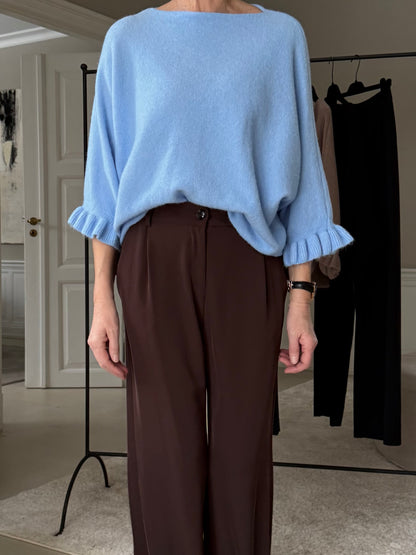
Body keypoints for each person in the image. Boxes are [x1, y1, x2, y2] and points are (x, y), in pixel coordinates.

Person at [67, 1, 354, 553]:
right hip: (153, 247)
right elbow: (105, 177)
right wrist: (102, 296)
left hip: (247, 251)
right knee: (163, 443)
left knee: (243, 441)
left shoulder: (279, 36)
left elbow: (303, 180)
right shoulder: (128, 39)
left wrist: (301, 299)